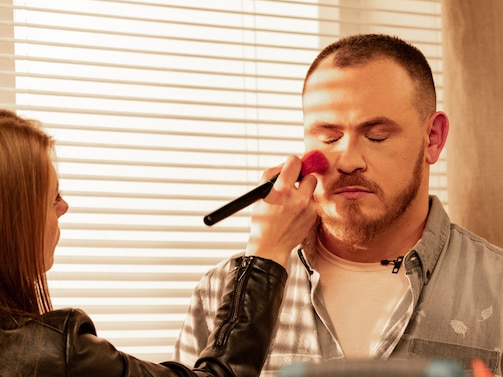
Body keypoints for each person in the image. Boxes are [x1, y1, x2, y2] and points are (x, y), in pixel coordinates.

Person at [173, 34, 503, 376]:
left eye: (377, 136)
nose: (347, 160)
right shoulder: (219, 300)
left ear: (432, 138)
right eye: (327, 136)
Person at [0, 109, 319, 377]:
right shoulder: (52, 353)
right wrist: (267, 252)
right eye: (53, 196)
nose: (64, 207)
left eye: (373, 137)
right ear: (13, 215)